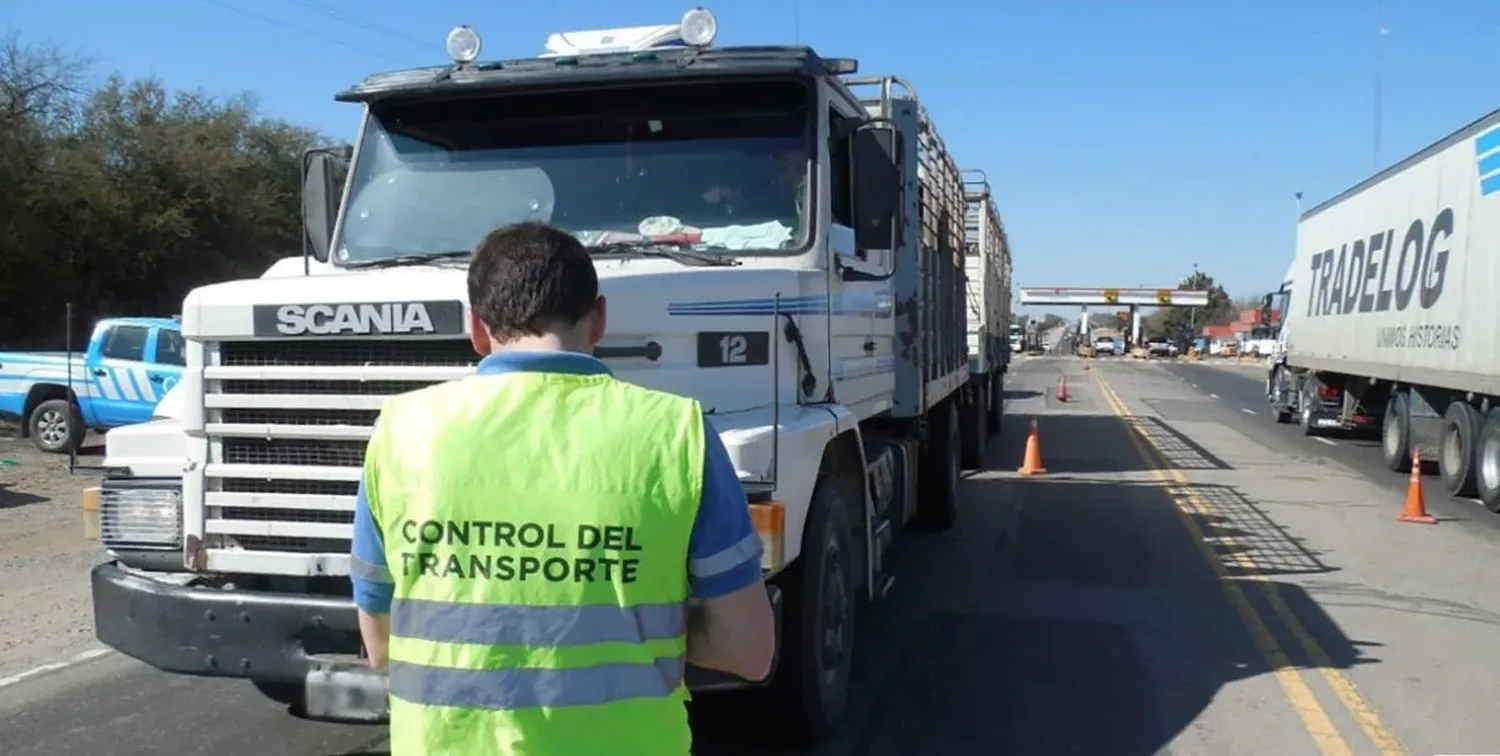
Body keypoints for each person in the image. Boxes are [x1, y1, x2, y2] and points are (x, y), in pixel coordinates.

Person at [348, 221, 777, 755]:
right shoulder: (677, 432)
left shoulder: (400, 428)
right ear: (598, 319)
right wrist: (641, 628)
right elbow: (749, 652)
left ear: (476, 328)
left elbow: (382, 645)